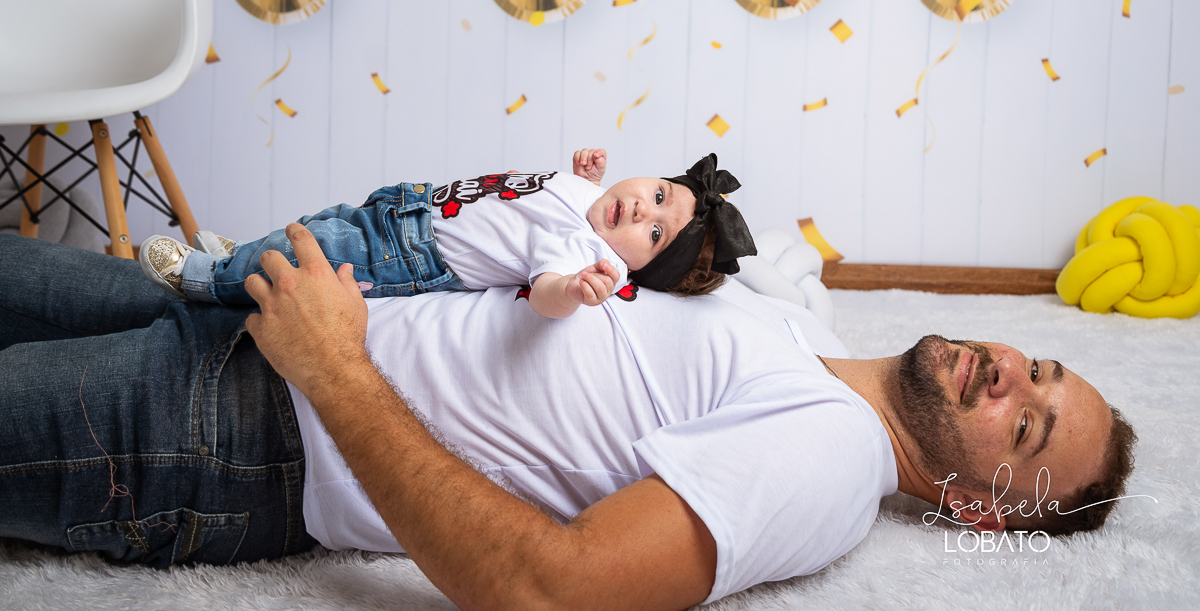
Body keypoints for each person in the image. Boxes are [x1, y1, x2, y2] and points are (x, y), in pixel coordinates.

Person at [0, 229, 1135, 609]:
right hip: (252, 309)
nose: (1011, 379)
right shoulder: (792, 330)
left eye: (1030, 427)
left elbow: (556, 585)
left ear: (978, 508)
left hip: (236, 433)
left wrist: (336, 370)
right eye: (1041, 367)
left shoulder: (833, 458)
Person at [138, 151, 757, 319]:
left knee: (315, 254)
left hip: (412, 255)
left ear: (638, 268)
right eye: (656, 196)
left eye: (654, 232)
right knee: (318, 224)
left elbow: (542, 293)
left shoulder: (589, 256)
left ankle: (208, 280)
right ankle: (237, 255)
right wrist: (582, 176)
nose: (639, 209)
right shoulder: (591, 199)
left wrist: (572, 293)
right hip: (411, 209)